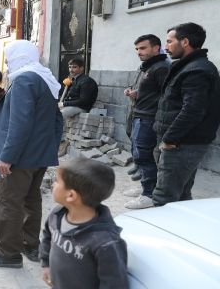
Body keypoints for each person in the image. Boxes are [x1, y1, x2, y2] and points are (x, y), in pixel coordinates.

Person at [0, 40, 63, 269]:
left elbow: (20, 123)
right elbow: (56, 120)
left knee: (9, 202)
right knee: (31, 199)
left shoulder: (24, 80)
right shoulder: (44, 78)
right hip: (38, 154)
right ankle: (30, 244)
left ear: (19, 57)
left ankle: (8, 254)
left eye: (9, 58)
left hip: (20, 157)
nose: (7, 63)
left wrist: (7, 157)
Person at [153, 22, 220, 207]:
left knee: (164, 199)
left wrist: (169, 139)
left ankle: (162, 235)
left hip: (181, 144)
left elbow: (192, 110)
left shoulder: (197, 70)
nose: (165, 47)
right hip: (180, 142)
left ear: (185, 42)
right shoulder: (188, 66)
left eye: (169, 41)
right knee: (180, 196)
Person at [39, 158, 128, 289]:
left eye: (57, 181)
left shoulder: (106, 243)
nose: (53, 184)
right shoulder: (57, 214)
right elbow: (47, 236)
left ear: (71, 195)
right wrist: (46, 264)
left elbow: (114, 283)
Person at [122, 34, 169, 209]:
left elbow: (167, 96)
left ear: (156, 48)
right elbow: (148, 91)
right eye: (137, 49)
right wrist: (134, 93)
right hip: (138, 114)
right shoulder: (146, 66)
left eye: (143, 48)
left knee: (144, 155)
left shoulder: (161, 67)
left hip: (149, 118)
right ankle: (145, 186)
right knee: (137, 153)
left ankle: (149, 194)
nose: (139, 52)